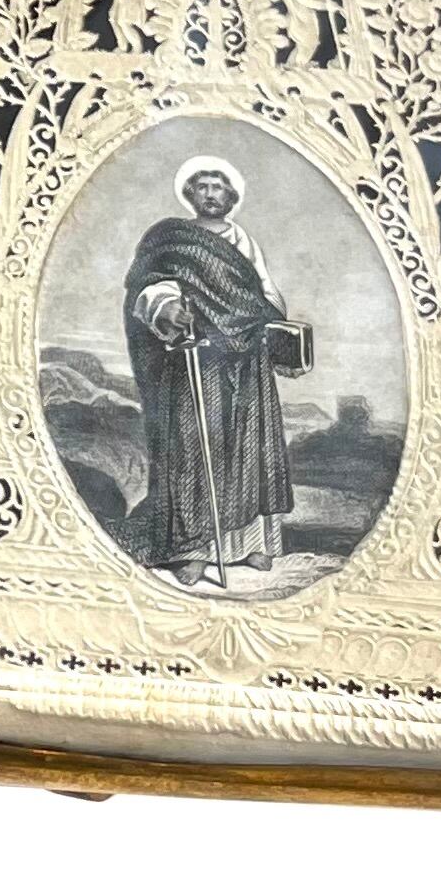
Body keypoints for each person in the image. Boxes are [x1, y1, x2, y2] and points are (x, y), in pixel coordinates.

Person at [123, 160, 302, 585]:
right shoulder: (170, 238)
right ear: (190, 193)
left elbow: (264, 291)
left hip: (247, 361)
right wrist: (167, 307)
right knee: (192, 450)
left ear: (231, 195)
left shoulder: (244, 241)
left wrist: (271, 324)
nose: (209, 193)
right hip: (196, 358)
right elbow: (151, 285)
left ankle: (253, 545)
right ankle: (193, 550)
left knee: (251, 448)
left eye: (217, 186)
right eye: (201, 186)